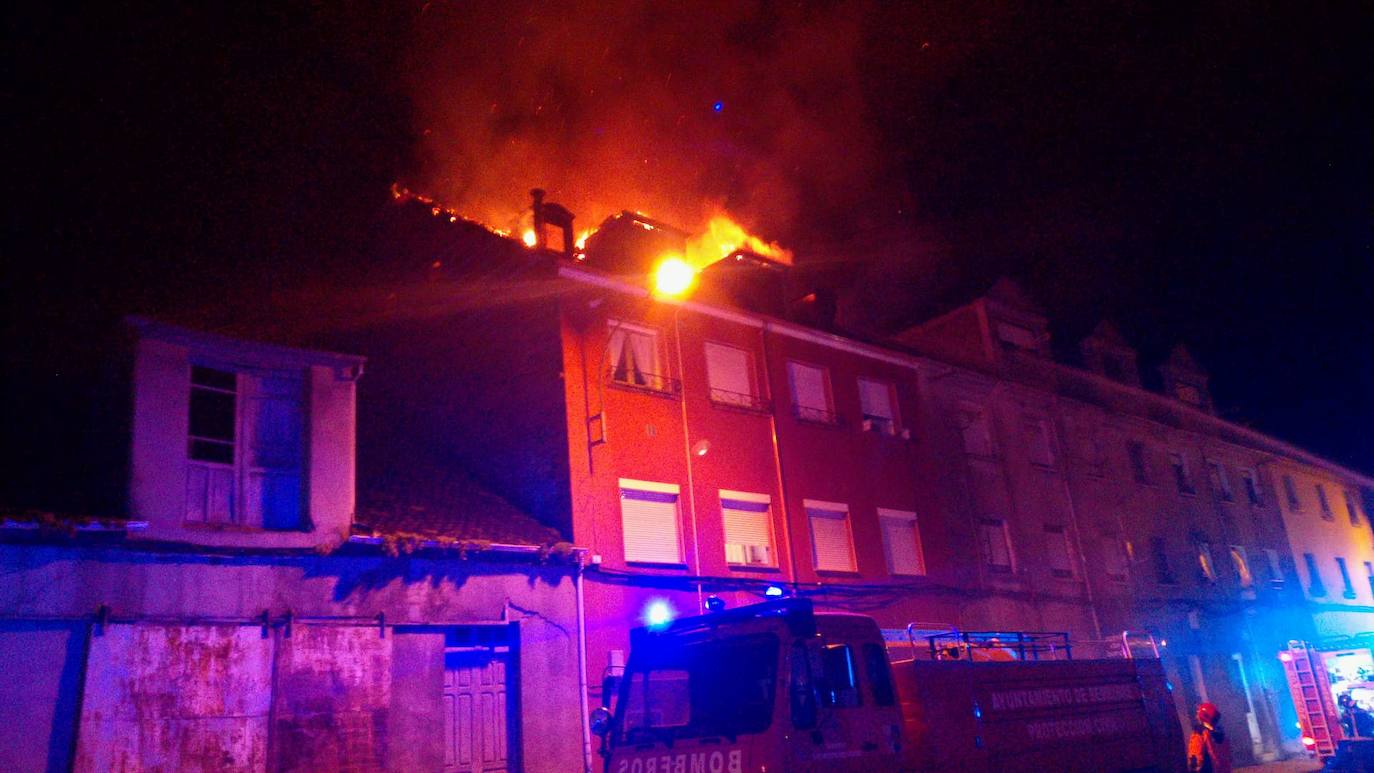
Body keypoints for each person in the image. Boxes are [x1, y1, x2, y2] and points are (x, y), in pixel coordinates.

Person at [1187, 702, 1232, 773]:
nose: (1196, 716)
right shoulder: (1222, 735)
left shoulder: (1200, 734)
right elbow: (1228, 758)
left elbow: (1195, 759)